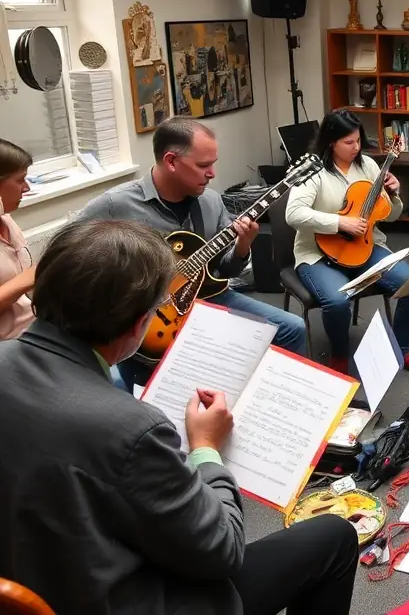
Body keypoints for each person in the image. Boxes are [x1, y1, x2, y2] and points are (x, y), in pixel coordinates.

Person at [0, 218, 358, 614]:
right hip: (123, 600)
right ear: (139, 323)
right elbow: (223, 550)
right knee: (335, 537)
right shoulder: (131, 427)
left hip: (38, 580)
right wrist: (205, 449)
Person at [78, 118, 306, 389]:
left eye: (213, 163)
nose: (212, 174)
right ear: (171, 161)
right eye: (203, 165)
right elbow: (68, 257)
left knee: (293, 329)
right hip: (149, 314)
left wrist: (243, 245)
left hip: (208, 295)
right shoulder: (116, 205)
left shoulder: (210, 202)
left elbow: (225, 270)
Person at [285, 110, 409, 374]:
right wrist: (339, 223)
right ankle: (339, 354)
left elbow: (391, 216)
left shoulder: (369, 166)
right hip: (318, 253)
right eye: (348, 143)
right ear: (330, 142)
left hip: (365, 246)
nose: (356, 147)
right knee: (337, 302)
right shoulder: (313, 171)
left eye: (358, 140)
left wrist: (394, 194)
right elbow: (293, 214)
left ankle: (400, 349)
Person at [0, 139, 34, 341]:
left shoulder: (8, 222)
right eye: (20, 180)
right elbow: (28, 277)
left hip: (31, 332)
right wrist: (31, 276)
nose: (27, 188)